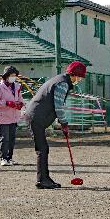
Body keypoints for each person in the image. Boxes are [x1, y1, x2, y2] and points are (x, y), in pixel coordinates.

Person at [25, 61, 87, 189]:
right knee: (42, 149)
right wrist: (64, 123)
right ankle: (42, 180)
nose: (80, 80)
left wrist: (61, 122)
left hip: (36, 116)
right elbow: (58, 106)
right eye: (80, 77)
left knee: (43, 149)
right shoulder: (63, 83)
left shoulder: (60, 80)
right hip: (36, 117)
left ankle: (45, 178)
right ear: (75, 75)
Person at [0, 66, 24, 166]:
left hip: (14, 116)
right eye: (12, 75)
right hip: (2, 117)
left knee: (12, 139)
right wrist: (6, 103)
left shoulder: (17, 86)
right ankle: (3, 158)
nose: (14, 78)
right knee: (4, 139)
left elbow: (20, 98)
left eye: (15, 76)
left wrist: (20, 104)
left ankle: (10, 158)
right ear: (6, 76)